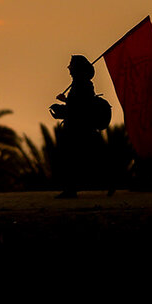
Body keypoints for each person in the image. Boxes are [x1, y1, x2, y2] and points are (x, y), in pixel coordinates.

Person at [50, 55, 111, 199]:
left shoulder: (83, 85)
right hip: (78, 128)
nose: (69, 68)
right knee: (81, 159)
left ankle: (72, 189)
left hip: (80, 129)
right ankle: (73, 188)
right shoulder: (81, 84)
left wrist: (64, 101)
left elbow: (79, 107)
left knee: (76, 159)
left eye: (71, 65)